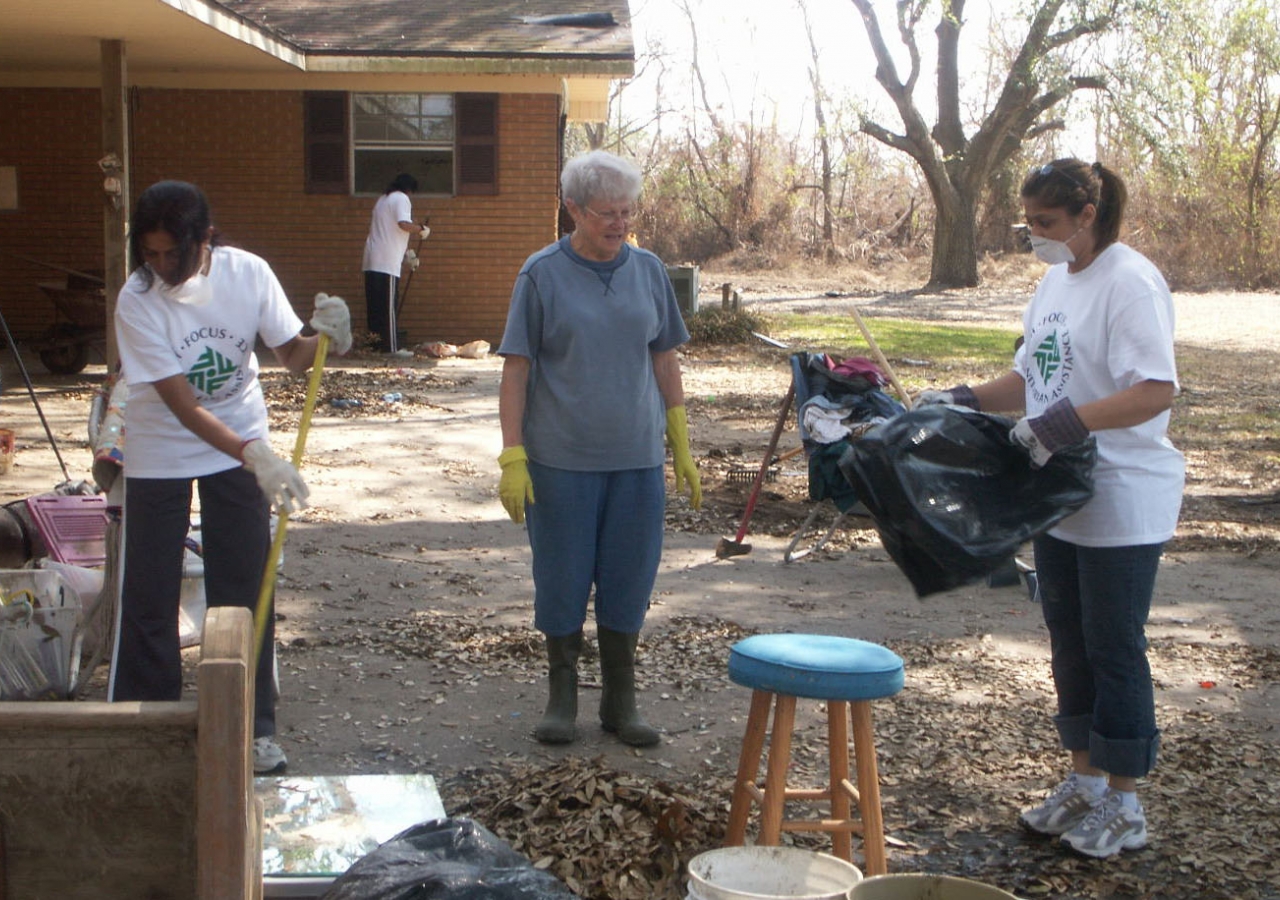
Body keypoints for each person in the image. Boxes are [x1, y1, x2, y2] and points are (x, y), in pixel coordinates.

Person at [918, 158, 1183, 859]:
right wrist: (968, 397)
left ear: (1086, 216)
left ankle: (1126, 801)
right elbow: (1031, 375)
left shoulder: (1129, 281)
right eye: (1028, 222)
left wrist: (1061, 423)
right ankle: (1085, 783)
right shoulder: (1053, 283)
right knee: (1068, 639)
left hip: (1121, 493)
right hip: (1057, 493)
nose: (1034, 235)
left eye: (1046, 223)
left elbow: (1154, 390)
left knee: (1113, 645)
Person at [108, 180, 352, 774]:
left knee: (243, 587)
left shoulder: (247, 274)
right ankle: (146, 723)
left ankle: (251, 725)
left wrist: (328, 338)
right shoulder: (136, 300)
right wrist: (257, 456)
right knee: (149, 592)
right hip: (160, 453)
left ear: (206, 240)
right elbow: (183, 406)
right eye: (151, 254)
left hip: (238, 442)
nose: (162, 266)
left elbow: (292, 357)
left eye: (175, 254)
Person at [496, 149, 702, 748]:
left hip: (636, 459)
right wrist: (513, 455)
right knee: (561, 579)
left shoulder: (649, 270)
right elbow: (516, 369)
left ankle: (620, 699)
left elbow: (665, 356)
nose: (620, 224)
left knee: (629, 578)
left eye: (628, 212)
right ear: (573, 210)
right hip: (561, 460)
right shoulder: (541, 273)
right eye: (607, 213)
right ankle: (562, 695)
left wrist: (680, 442)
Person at [362, 172, 427, 353]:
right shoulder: (401, 198)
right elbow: (403, 225)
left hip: (371, 259)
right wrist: (421, 229)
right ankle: (391, 348)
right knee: (388, 307)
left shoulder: (383, 199)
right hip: (387, 262)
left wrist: (409, 255)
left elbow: (389, 232)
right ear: (409, 189)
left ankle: (374, 346)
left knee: (375, 307)